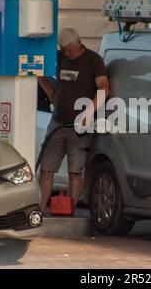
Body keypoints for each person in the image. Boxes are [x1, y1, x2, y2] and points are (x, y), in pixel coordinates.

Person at [38, 28, 110, 213]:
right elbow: (41, 69)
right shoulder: (60, 57)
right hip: (57, 123)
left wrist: (88, 113)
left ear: (79, 43)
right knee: (46, 169)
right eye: (63, 50)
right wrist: (44, 84)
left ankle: (68, 210)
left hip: (80, 127)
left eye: (70, 49)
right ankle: (39, 210)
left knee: (75, 171)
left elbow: (104, 89)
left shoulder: (93, 60)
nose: (67, 54)